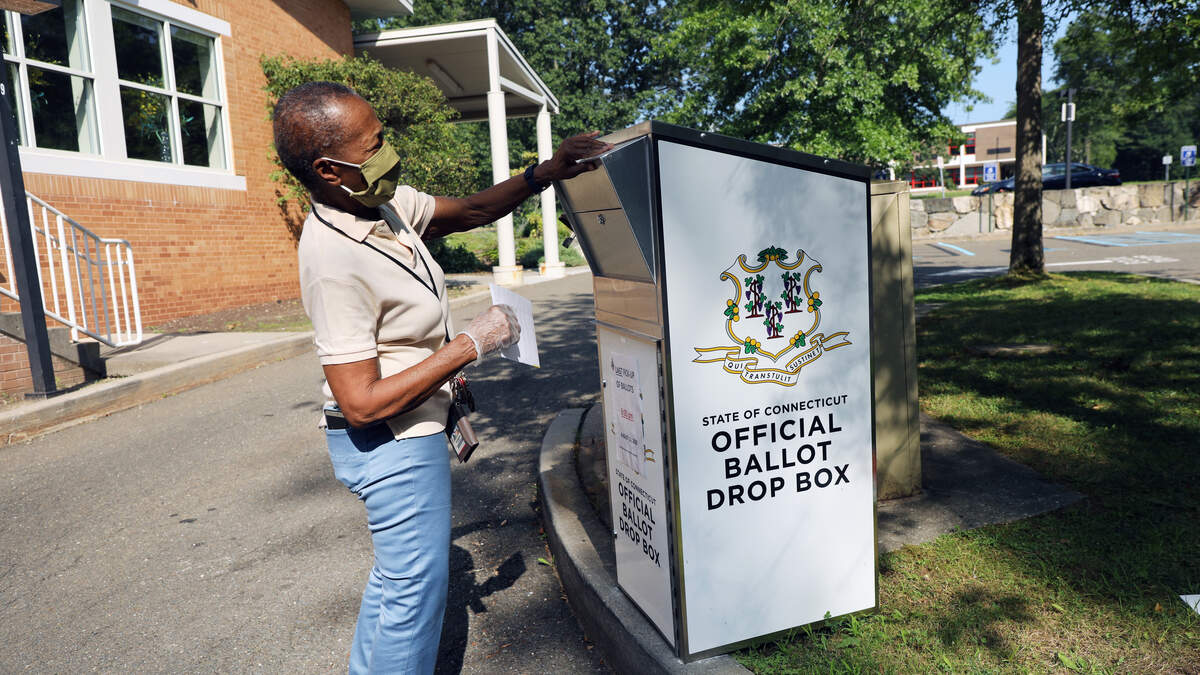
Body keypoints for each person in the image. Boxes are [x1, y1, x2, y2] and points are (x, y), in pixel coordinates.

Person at [271, 81, 610, 674]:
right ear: (329, 169)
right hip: (392, 443)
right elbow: (360, 403)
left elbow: (473, 210)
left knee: (396, 581)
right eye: (373, 145)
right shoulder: (332, 259)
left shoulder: (383, 205)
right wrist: (469, 345)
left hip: (410, 430)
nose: (389, 153)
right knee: (413, 599)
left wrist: (546, 173)